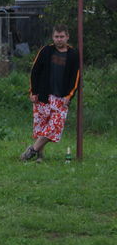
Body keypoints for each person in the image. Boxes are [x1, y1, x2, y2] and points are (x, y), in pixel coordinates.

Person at [20, 24, 80, 163]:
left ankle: (31, 150)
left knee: (54, 126)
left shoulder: (73, 54)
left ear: (67, 37)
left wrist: (69, 95)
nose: (59, 39)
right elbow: (35, 71)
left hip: (61, 98)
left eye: (62, 36)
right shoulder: (46, 51)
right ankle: (40, 156)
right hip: (43, 95)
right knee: (41, 126)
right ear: (53, 37)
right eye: (56, 36)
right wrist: (33, 91)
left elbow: (76, 77)